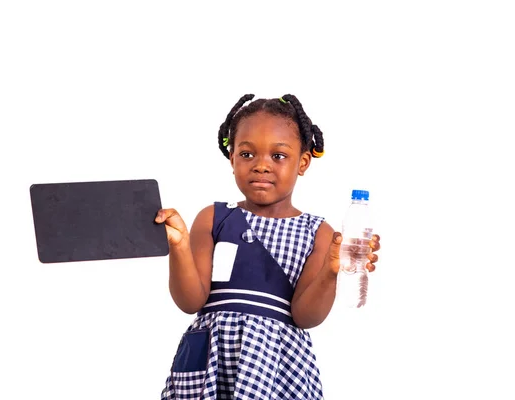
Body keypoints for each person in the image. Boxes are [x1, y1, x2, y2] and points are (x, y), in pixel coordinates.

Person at [155, 94, 381, 399]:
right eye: (247, 155)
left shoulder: (319, 234)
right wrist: (180, 247)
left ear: (302, 162)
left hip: (276, 370)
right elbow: (190, 301)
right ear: (231, 157)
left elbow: (306, 317)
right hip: (210, 363)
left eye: (278, 156)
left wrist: (330, 271)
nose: (261, 166)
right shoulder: (214, 218)